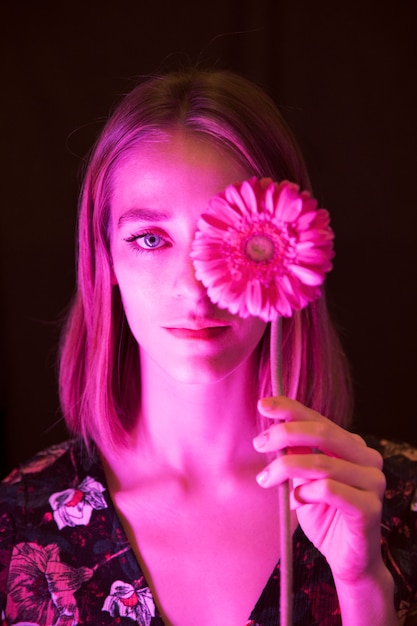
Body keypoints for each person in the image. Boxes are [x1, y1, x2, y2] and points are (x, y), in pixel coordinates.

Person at [0, 68, 416, 626]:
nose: (196, 288)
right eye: (150, 239)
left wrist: (365, 591)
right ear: (106, 260)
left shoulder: (395, 503)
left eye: (228, 239)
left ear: (286, 248)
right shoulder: (18, 525)